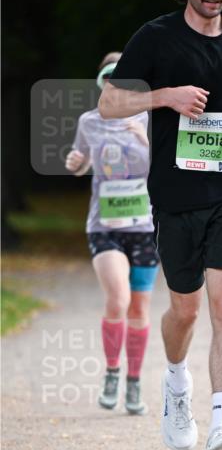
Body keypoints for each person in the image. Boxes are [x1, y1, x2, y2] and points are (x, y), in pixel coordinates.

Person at [98, 0, 222, 450]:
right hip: (175, 195)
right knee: (186, 310)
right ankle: (176, 381)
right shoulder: (156, 37)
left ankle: (221, 430)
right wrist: (162, 96)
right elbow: (109, 104)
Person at [65, 52, 159, 415]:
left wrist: (145, 139)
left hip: (145, 227)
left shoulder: (150, 119)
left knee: (139, 308)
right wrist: (76, 164)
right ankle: (111, 372)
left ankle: (133, 383)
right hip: (104, 225)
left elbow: (169, 170)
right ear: (102, 82)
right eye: (109, 77)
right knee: (118, 298)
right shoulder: (90, 121)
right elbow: (80, 161)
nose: (115, 84)